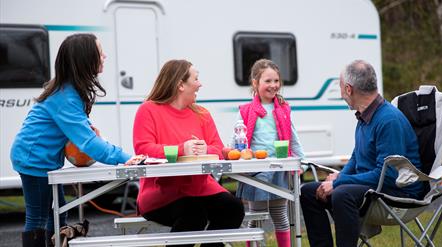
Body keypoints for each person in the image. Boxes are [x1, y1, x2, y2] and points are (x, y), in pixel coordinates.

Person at [10, 33, 143, 247]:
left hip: (40, 158)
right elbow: (88, 143)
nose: (105, 56)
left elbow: (83, 135)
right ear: (86, 59)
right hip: (33, 160)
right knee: (38, 219)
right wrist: (126, 158)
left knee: (59, 214)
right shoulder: (65, 96)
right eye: (100, 53)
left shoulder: (70, 90)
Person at [300, 60, 425, 247]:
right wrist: (341, 176)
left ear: (349, 89)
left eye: (341, 88)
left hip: (398, 192)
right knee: (309, 192)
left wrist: (339, 182)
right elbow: (357, 157)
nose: (341, 94)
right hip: (373, 186)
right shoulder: (364, 116)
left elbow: (388, 175)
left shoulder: (388, 120)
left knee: (342, 194)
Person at [132, 59, 245, 247]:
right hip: (160, 192)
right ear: (180, 85)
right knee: (194, 214)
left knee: (233, 208)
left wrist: (205, 149)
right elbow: (143, 150)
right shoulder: (148, 110)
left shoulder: (202, 114)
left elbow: (217, 148)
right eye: (196, 78)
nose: (200, 84)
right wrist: (180, 149)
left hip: (202, 188)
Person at [234, 59, 305, 247]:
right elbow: (238, 140)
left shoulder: (282, 109)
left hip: (279, 169)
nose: (273, 85)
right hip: (255, 171)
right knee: (255, 217)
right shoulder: (245, 111)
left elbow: (293, 137)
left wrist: (301, 162)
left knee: (280, 215)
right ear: (255, 83)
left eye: (276, 81)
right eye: (268, 81)